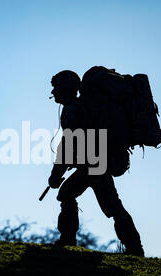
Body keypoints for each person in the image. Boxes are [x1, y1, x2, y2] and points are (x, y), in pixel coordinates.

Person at [48, 70, 145, 257]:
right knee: (75, 196)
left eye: (56, 87)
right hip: (95, 164)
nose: (54, 93)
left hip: (94, 166)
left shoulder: (73, 110)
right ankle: (134, 246)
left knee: (109, 205)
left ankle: (134, 247)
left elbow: (69, 144)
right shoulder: (83, 107)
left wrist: (56, 173)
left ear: (66, 88)